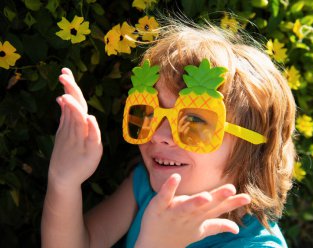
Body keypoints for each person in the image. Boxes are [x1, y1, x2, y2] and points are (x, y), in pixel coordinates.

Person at [41, 20, 296, 248]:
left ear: (255, 151)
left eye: (195, 121)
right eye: (148, 112)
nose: (158, 135)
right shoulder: (146, 186)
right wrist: (63, 182)